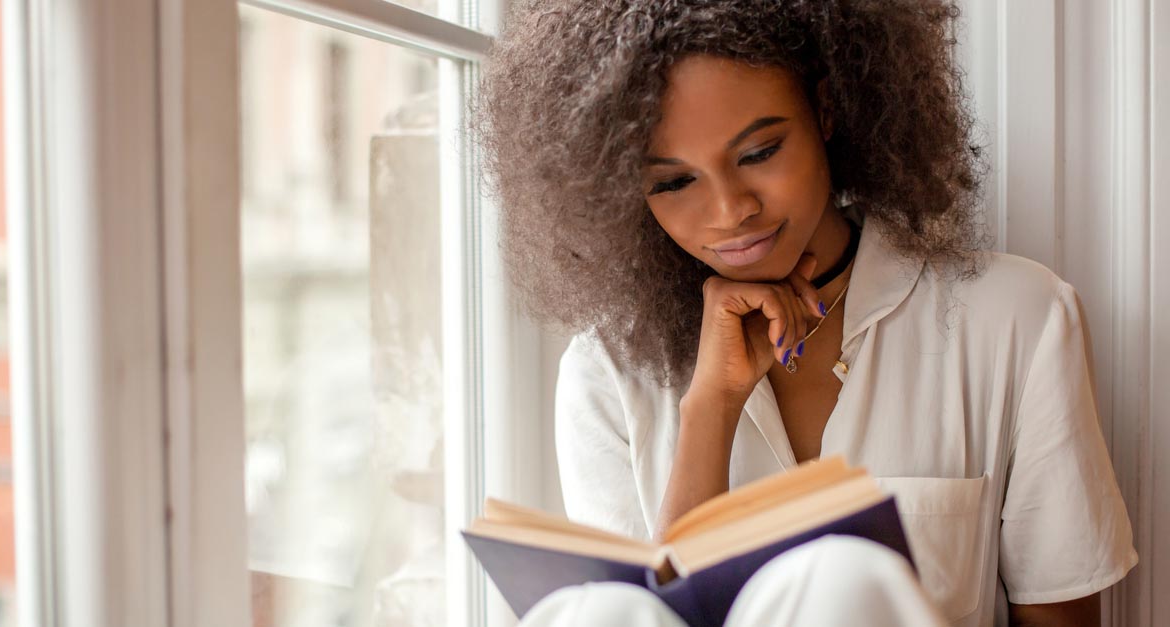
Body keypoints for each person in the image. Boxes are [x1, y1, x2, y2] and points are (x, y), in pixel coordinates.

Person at [472, 1, 1138, 625]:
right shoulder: (605, 371)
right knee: (601, 612)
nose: (731, 211)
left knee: (839, 578)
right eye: (674, 181)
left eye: (759, 152)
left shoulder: (1015, 319)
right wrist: (711, 406)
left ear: (825, 111)